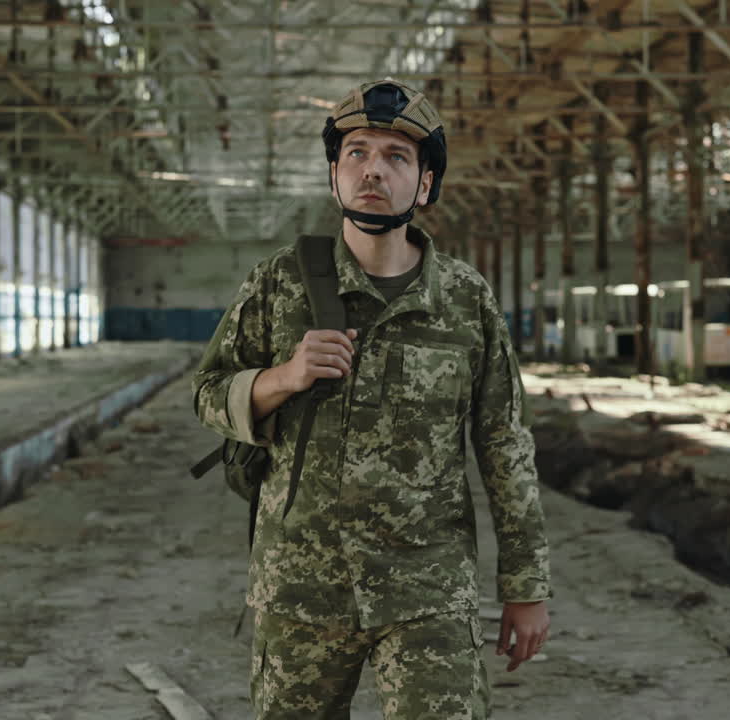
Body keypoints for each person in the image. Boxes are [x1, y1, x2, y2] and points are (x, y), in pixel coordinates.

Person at [192, 79, 552, 719]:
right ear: (334, 174)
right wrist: (283, 376)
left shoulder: (466, 300)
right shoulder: (278, 283)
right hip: (301, 585)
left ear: (425, 186)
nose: (372, 170)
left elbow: (504, 444)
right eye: (356, 152)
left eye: (396, 156)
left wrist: (526, 587)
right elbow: (207, 394)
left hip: (428, 587)